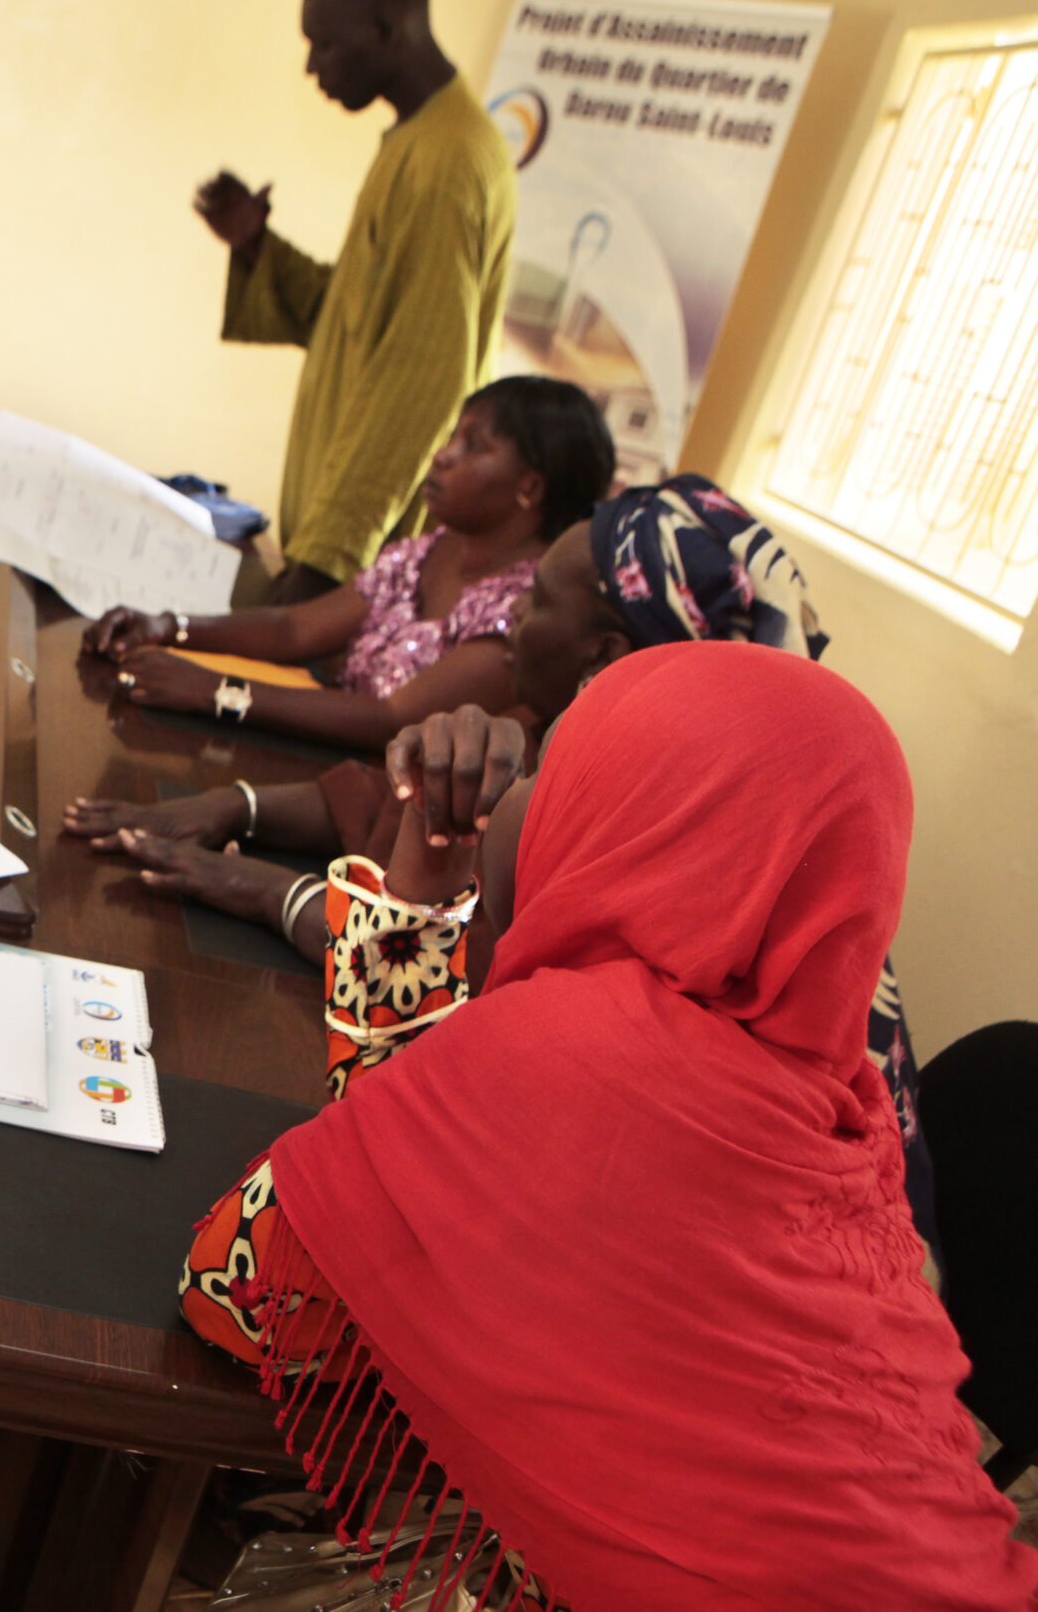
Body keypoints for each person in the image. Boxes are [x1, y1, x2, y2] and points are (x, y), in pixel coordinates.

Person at [169, 645, 1036, 1608]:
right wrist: (424, 884)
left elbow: (250, 1293)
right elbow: (408, 1183)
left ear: (651, 823)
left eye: (566, 764)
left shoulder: (583, 1055)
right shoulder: (848, 1104)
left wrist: (424, 891)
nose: (529, 789)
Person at [70, 477, 939, 1247]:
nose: (508, 616)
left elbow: (454, 1032)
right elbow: (397, 818)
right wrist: (242, 807)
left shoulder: (654, 992)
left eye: (535, 600)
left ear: (606, 656)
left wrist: (276, 893)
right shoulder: (698, 807)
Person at [200, 0, 516, 605]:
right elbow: (353, 319)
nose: (312, 66)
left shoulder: (449, 161)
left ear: (386, 27)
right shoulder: (418, 139)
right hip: (334, 546)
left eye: (326, 44)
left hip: (359, 564)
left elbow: (423, 381)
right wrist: (258, 245)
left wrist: (327, 561)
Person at [78, 376, 608, 748]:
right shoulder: (428, 550)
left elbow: (394, 719)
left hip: (380, 809)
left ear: (530, 486)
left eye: (474, 446)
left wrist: (216, 691)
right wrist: (166, 626)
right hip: (311, 756)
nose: (443, 454)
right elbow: (293, 629)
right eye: (452, 436)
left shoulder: (528, 608)